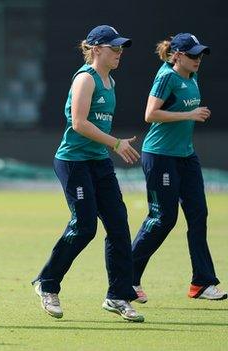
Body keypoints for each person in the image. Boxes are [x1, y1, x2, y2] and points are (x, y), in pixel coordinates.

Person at [32, 25, 144, 322]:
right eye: (114, 48)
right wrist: (116, 143)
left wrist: (111, 146)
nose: (119, 53)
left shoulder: (111, 81)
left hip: (98, 162)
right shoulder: (85, 78)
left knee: (119, 226)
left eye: (121, 48)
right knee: (84, 226)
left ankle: (118, 295)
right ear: (96, 49)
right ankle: (47, 283)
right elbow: (79, 124)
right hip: (73, 161)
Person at [131, 33, 226, 303]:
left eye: (200, 55)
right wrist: (189, 114)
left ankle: (202, 282)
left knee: (198, 214)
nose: (198, 59)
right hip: (160, 156)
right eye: (193, 55)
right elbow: (150, 114)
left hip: (186, 156)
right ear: (178, 55)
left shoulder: (192, 76)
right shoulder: (166, 77)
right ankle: (127, 277)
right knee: (163, 219)